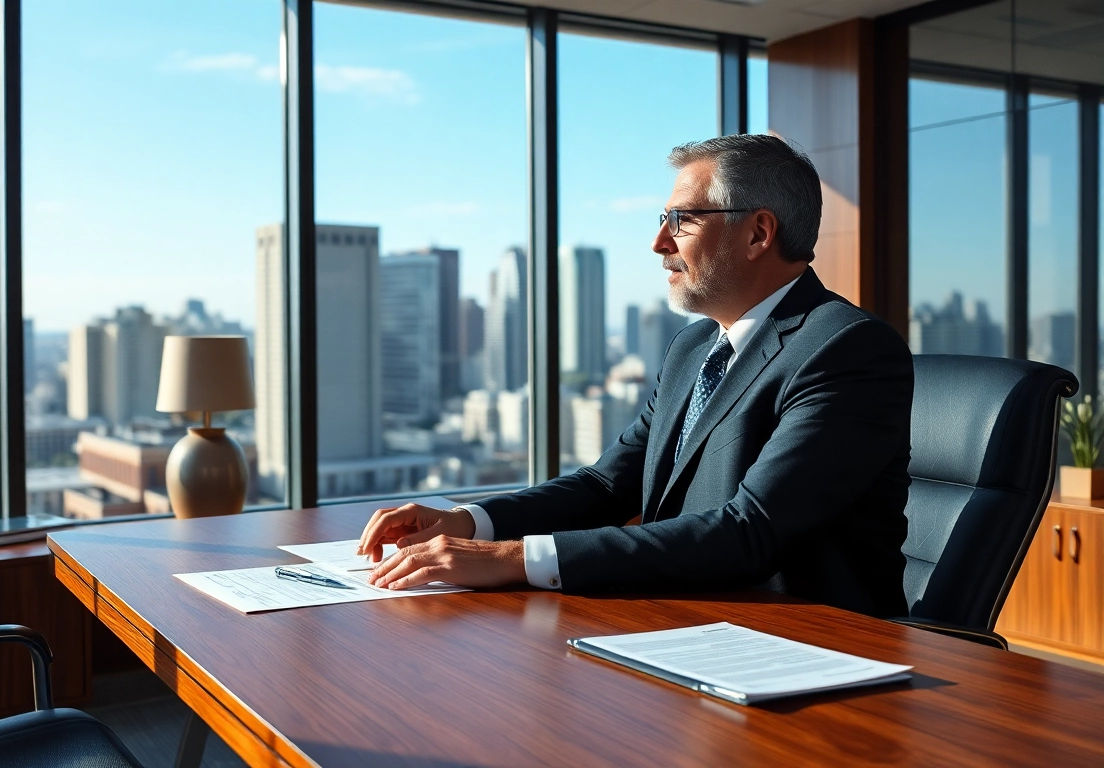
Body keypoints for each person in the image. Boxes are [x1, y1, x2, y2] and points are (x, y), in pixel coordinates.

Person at [356, 134, 913, 617]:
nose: (659, 243)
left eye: (683, 220)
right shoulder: (695, 346)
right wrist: (471, 523)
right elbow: (607, 486)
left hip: (811, 645)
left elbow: (750, 532)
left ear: (758, 233)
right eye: (661, 221)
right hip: (681, 619)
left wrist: (512, 558)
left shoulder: (846, 349)